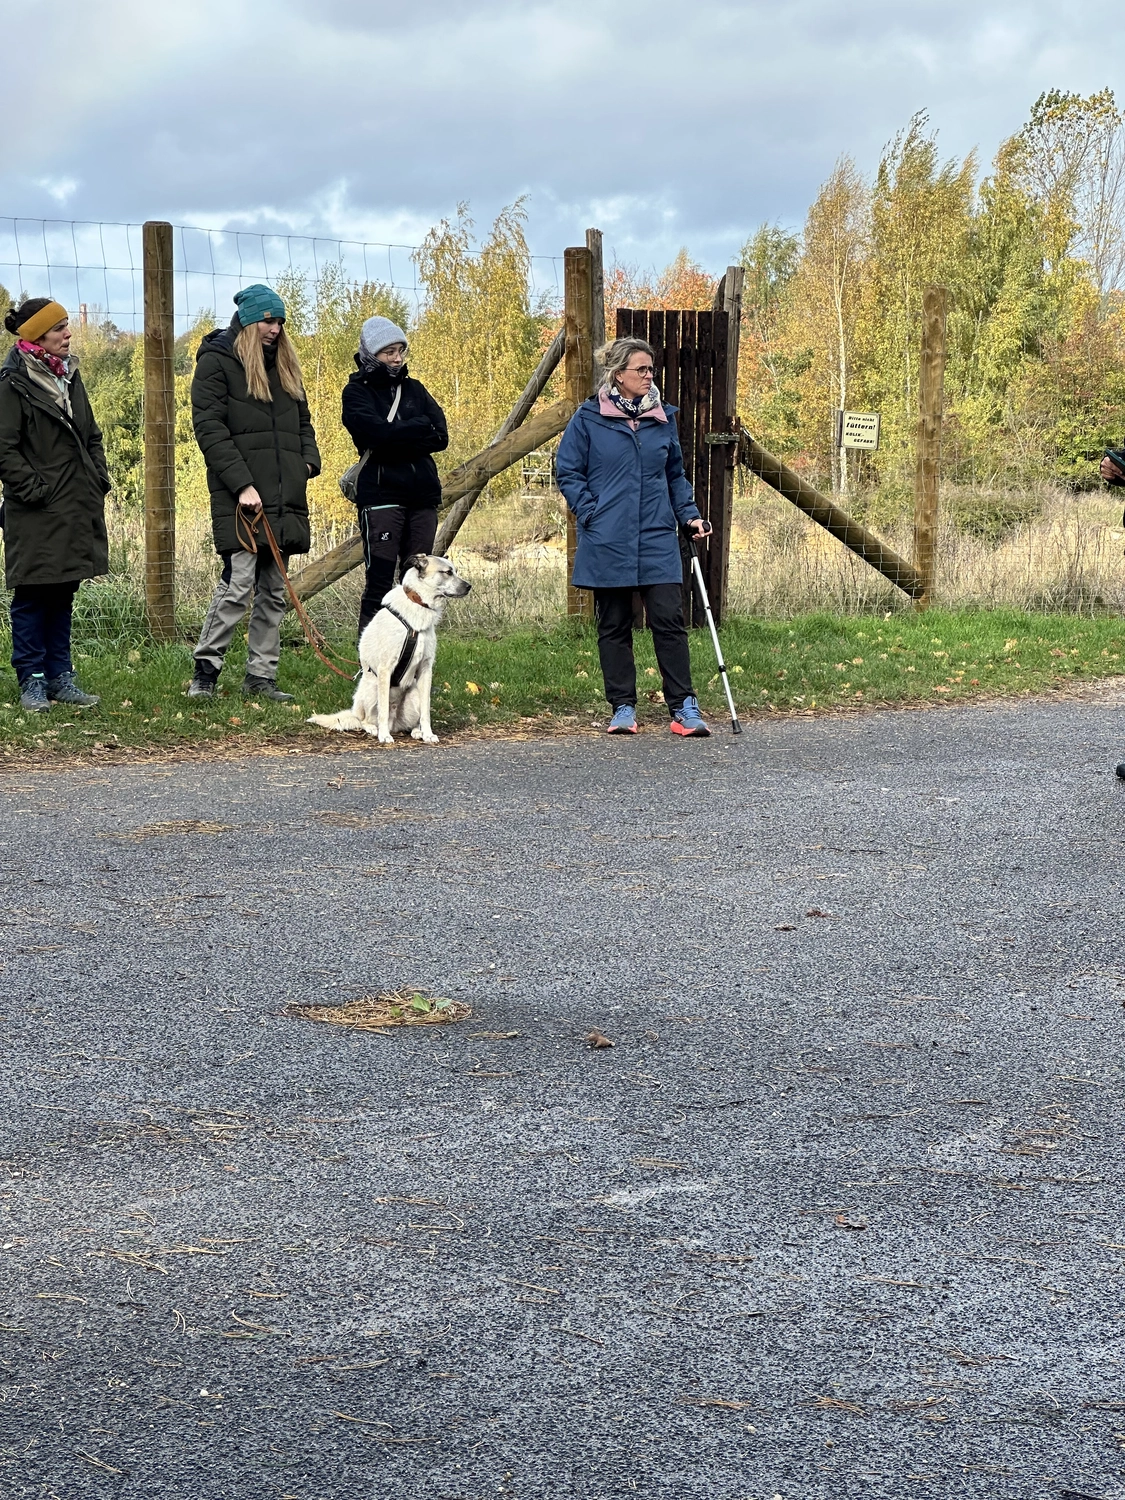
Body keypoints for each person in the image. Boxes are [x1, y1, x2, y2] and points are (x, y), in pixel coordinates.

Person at [556, 336, 712, 737]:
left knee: (669, 619)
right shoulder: (588, 418)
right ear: (618, 374)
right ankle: (623, 706)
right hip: (607, 537)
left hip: (657, 535)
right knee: (614, 624)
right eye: (641, 369)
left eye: (650, 369)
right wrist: (592, 513)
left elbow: (674, 474)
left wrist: (690, 517)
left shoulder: (663, 417)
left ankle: (684, 707)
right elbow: (568, 471)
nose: (648, 375)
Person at [187, 284, 320, 701]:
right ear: (248, 321)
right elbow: (209, 428)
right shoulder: (216, 362)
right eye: (267, 320)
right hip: (240, 496)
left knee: (274, 591)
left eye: (279, 321)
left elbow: (303, 421)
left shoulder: (285, 365)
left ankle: (261, 677)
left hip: (284, 495)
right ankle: (205, 671)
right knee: (237, 584)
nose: (275, 329)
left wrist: (308, 462)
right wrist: (242, 484)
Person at [0, 298, 108, 712]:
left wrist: (97, 480)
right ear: (37, 336)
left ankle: (61, 677)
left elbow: (91, 435)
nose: (68, 333)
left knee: (63, 592)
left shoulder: (69, 376)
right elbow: (4, 449)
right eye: (60, 327)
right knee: (32, 596)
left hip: (75, 505)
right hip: (33, 510)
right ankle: (32, 679)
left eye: (67, 325)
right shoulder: (12, 383)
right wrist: (36, 490)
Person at [341, 316, 449, 636]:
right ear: (372, 353)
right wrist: (415, 429)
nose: (397, 358)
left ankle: (411, 653)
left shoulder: (415, 389)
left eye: (401, 350)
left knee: (417, 581)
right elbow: (374, 437)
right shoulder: (355, 393)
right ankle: (371, 659)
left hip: (422, 497)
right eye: (389, 351)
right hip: (381, 496)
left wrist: (395, 435)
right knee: (380, 582)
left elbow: (440, 436)